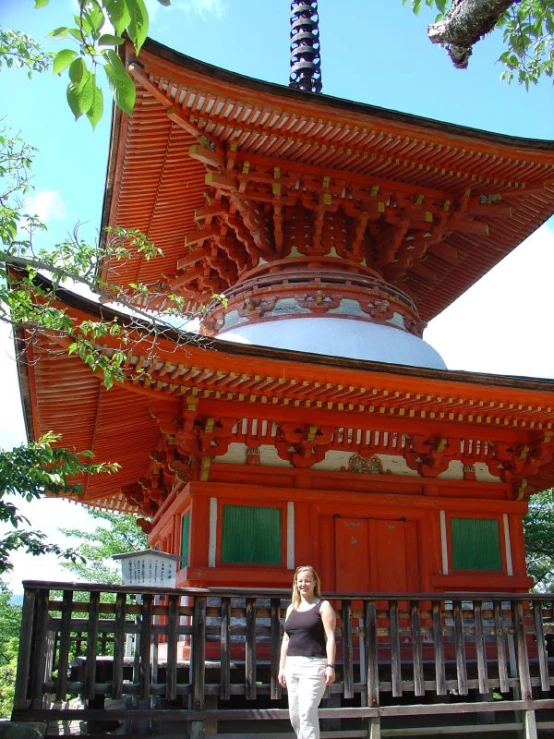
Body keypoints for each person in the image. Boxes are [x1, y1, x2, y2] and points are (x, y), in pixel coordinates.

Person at [278, 565, 337, 739]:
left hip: (314, 666)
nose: (303, 584)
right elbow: (286, 640)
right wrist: (282, 668)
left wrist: (330, 666)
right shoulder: (291, 608)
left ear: (314, 583)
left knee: (307, 712)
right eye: (300, 581)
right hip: (292, 666)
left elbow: (330, 638)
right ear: (296, 584)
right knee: (295, 716)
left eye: (307, 581)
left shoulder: (323, 606)